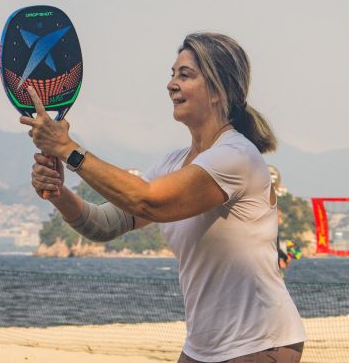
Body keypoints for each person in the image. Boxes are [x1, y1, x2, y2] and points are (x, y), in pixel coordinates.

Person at [21, 32, 307, 362]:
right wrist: (59, 194)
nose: (172, 84)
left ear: (218, 91)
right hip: (202, 348)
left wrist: (68, 150)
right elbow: (105, 225)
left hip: (260, 342)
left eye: (185, 75)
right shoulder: (172, 164)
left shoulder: (236, 156)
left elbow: (150, 201)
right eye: (172, 75)